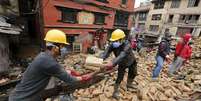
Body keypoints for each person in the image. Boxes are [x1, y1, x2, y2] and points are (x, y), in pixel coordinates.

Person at [9, 29, 92, 101]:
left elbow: (57, 70)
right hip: (23, 99)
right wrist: (84, 77)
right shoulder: (49, 62)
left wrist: (70, 71)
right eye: (62, 46)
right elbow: (70, 80)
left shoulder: (43, 56)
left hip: (25, 96)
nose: (64, 49)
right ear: (55, 48)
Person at [101, 29, 137, 99]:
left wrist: (112, 63)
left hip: (131, 61)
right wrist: (100, 59)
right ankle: (115, 92)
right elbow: (106, 53)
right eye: (113, 41)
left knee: (133, 73)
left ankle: (129, 84)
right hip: (122, 63)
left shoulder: (127, 45)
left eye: (116, 40)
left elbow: (122, 54)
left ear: (122, 39)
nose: (114, 42)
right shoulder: (113, 45)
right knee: (120, 77)